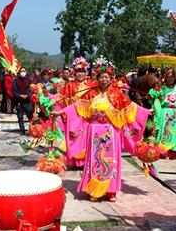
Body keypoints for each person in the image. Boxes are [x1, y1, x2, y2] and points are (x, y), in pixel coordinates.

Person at [60, 58, 149, 202]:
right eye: (101, 76)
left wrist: (145, 112)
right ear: (97, 77)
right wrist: (61, 113)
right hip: (93, 130)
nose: (104, 79)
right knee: (94, 159)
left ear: (111, 78)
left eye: (107, 76)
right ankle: (94, 191)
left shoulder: (117, 94)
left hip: (111, 132)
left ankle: (110, 191)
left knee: (111, 159)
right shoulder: (90, 93)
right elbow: (77, 106)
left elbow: (130, 107)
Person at [150, 67, 176, 159]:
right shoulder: (161, 89)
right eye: (168, 77)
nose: (170, 78)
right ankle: (163, 151)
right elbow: (157, 102)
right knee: (164, 131)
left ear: (175, 78)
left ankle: (174, 152)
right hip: (165, 113)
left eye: (172, 77)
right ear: (165, 77)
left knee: (175, 132)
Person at [13, 67, 33, 135]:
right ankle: (22, 130)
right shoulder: (15, 81)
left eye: (24, 71)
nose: (22, 72)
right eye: (21, 71)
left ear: (26, 72)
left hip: (28, 101)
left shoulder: (30, 80)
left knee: (30, 116)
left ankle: (33, 129)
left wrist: (28, 95)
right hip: (19, 101)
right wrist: (19, 95)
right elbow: (14, 90)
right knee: (20, 116)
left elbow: (32, 89)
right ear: (19, 72)